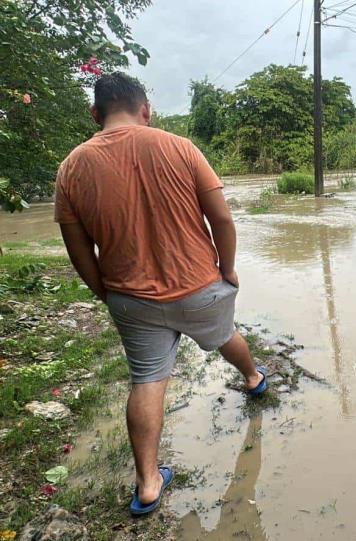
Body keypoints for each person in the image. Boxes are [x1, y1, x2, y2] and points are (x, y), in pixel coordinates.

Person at [54, 72, 267, 516]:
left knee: (147, 379)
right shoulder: (180, 147)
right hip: (199, 286)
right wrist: (226, 271)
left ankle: (148, 484)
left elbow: (79, 252)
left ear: (95, 114)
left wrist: (107, 294)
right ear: (146, 110)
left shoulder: (71, 167)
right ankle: (253, 380)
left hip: (132, 299)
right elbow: (222, 221)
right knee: (226, 335)